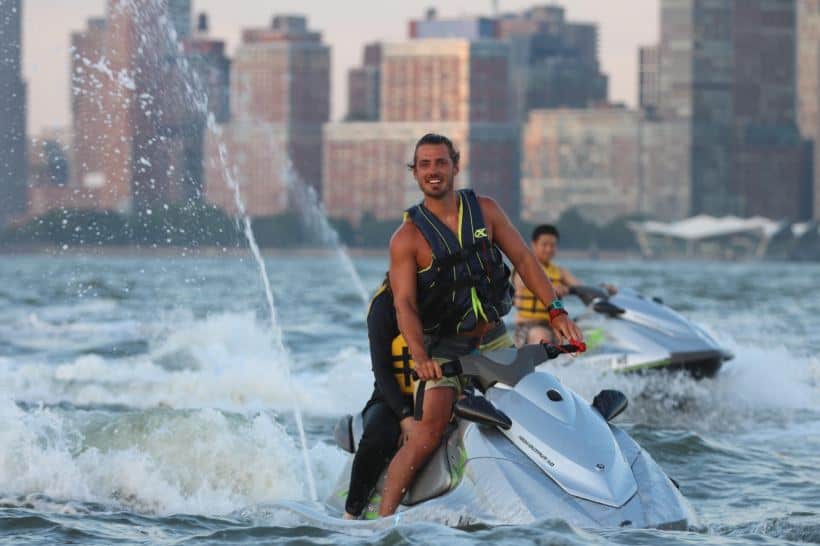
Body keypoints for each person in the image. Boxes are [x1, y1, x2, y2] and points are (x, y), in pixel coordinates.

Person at [379, 133, 584, 517]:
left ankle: (572, 492)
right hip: (441, 350)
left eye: (441, 162)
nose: (433, 171)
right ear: (415, 173)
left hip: (492, 339)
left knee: (539, 408)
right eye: (424, 165)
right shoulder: (406, 238)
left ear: (456, 166)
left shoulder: (486, 210)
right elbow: (404, 304)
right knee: (428, 431)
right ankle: (381, 521)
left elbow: (524, 259)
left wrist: (556, 312)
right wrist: (420, 356)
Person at [343, 278, 415, 520]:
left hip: (434, 392)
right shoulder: (384, 306)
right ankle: (351, 512)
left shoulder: (438, 298)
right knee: (379, 435)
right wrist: (405, 416)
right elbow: (382, 371)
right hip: (390, 397)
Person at [513, 224, 616, 346]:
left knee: (589, 335)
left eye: (552, 245)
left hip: (555, 326)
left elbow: (580, 287)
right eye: (544, 244)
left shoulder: (560, 272)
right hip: (528, 327)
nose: (549, 249)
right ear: (534, 244)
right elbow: (524, 281)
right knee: (541, 335)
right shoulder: (523, 269)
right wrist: (551, 288)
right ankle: (541, 362)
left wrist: (603, 291)